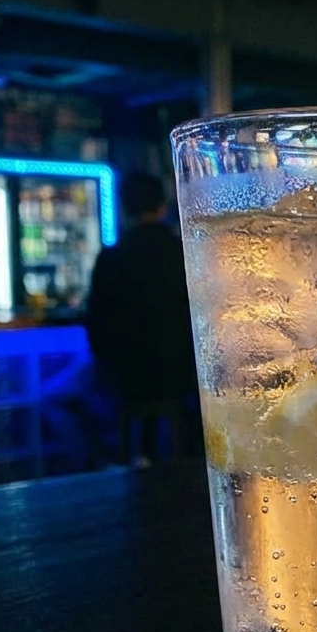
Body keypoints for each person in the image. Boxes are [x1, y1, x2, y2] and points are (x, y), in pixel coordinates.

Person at [86, 172, 199, 458]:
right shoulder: (184, 252)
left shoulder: (110, 258)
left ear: (124, 209)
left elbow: (96, 325)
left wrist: (109, 369)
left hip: (127, 379)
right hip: (183, 376)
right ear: (162, 207)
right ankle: (178, 465)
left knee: (63, 398)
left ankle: (120, 463)